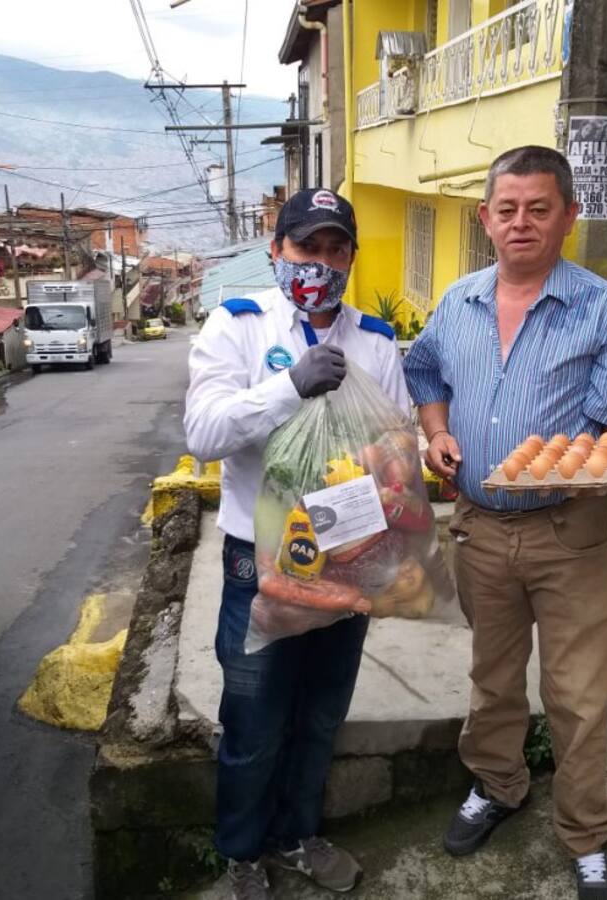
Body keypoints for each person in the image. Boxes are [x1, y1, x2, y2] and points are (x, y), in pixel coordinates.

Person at [403, 145, 607, 900]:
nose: (521, 223)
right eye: (507, 209)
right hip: (478, 529)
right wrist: (437, 432)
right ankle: (499, 785)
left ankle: (587, 833)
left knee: (579, 695)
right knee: (494, 678)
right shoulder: (458, 302)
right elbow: (424, 371)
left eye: (539, 208)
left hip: (568, 534)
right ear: (485, 217)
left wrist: (557, 465)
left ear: (568, 216)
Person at [184, 187, 409, 900]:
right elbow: (204, 434)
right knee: (254, 720)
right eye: (307, 247)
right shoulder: (238, 326)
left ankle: (298, 835)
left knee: (319, 714)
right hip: (260, 561)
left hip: (348, 559)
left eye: (336, 249)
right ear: (276, 250)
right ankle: (242, 853)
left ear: (351, 258)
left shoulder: (376, 340)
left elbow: (395, 444)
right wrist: (289, 387)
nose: (321, 262)